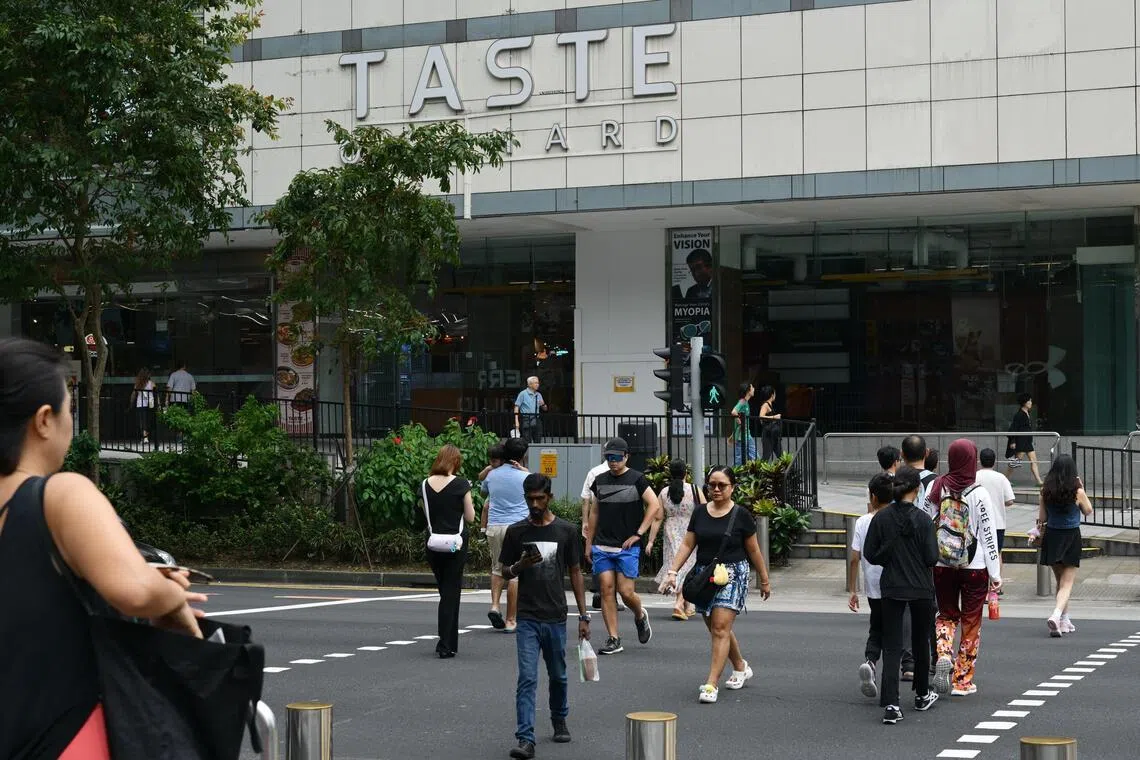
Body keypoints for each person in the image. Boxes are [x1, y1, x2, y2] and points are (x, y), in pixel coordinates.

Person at [0, 339, 207, 758]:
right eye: (70, 411)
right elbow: (135, 591)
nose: (70, 424)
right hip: (64, 738)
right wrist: (171, 593)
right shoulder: (59, 494)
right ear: (43, 420)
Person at [659, 466, 771, 704]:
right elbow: (688, 544)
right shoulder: (699, 513)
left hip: (733, 574)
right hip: (705, 575)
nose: (716, 489)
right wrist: (672, 572)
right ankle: (740, 666)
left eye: (722, 485)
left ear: (732, 487)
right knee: (717, 628)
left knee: (720, 628)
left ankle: (711, 683)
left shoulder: (740, 515)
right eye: (712, 485)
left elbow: (753, 549)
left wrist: (764, 579)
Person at [500, 473, 590, 760]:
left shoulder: (566, 531)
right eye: (530, 499)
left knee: (559, 675)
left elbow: (575, 572)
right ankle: (525, 739)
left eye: (540, 498)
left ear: (549, 497)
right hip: (526, 617)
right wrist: (520, 565)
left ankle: (559, 718)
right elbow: (504, 572)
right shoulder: (516, 532)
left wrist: (584, 615)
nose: (535, 504)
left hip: (555, 616)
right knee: (527, 678)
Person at [862, 466, 940, 725]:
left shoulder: (881, 519)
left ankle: (892, 704)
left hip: (892, 586)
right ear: (917, 489)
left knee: (892, 645)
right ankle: (921, 693)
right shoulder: (923, 520)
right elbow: (932, 557)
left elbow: (871, 554)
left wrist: (890, 554)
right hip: (920, 586)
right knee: (920, 641)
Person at [927, 439, 1002, 697]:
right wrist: (996, 574)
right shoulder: (980, 493)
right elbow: (989, 536)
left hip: (942, 563)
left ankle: (943, 653)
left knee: (946, 615)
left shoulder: (937, 487)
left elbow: (926, 522)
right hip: (975, 565)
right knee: (971, 621)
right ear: (972, 460)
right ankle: (962, 680)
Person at [585, 437, 661, 655]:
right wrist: (588, 543)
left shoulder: (637, 479)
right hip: (602, 545)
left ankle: (639, 614)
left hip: (627, 546)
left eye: (617, 457)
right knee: (606, 590)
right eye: (609, 457)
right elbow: (595, 512)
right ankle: (613, 638)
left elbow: (654, 504)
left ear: (626, 456)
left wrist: (639, 533)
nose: (613, 462)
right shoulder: (599, 480)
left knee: (626, 592)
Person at [422, 444, 475, 658]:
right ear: (455, 461)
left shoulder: (425, 484)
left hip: (433, 543)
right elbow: (470, 517)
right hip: (455, 543)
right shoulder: (461, 484)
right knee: (451, 594)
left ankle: (449, 640)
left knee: (445, 591)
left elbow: (425, 514)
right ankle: (446, 644)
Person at [848, 473, 895, 700]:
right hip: (897, 583)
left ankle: (871, 661)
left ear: (873, 497)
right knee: (897, 629)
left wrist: (852, 589)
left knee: (876, 626)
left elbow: (854, 557)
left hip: (873, 586)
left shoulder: (863, 521)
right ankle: (896, 671)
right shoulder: (896, 518)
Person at [1037, 454, 1094, 637]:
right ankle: (1055, 615)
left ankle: (1064, 620)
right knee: (1067, 583)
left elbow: (1043, 518)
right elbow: (1088, 511)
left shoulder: (1045, 491)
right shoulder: (1077, 492)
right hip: (1070, 536)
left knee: (1060, 581)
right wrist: (1082, 488)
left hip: (1052, 536)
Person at [481, 438, 530, 633]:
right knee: (515, 573)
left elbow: (485, 491)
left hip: (494, 525)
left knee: (497, 568)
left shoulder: (492, 475)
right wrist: (526, 472)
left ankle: (494, 606)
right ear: (523, 456)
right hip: (517, 526)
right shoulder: (525, 477)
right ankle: (511, 620)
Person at [651, 459, 704, 620]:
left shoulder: (663, 492)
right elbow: (705, 510)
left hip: (670, 531)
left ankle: (687, 606)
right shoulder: (694, 489)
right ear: (686, 473)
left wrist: (651, 540)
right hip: (691, 531)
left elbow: (658, 518)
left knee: (676, 567)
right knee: (688, 567)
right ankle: (679, 604)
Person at [579, 454, 623, 612]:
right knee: (616, 556)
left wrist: (585, 522)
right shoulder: (623, 472)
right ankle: (612, 597)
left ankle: (599, 591)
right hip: (617, 523)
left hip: (596, 521)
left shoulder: (594, 471)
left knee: (598, 555)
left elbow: (585, 499)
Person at [975, 447, 1015, 586]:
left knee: (980, 553)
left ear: (980, 461)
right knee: (996, 553)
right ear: (994, 461)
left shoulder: (974, 476)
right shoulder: (1001, 477)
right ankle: (995, 585)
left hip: (978, 523)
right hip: (998, 523)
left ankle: (982, 585)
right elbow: (1010, 500)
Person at [1006, 393, 1044, 486]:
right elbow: (1013, 429)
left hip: (1027, 441)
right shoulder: (1019, 415)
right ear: (1024, 403)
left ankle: (1039, 481)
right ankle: (1004, 480)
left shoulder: (1027, 413)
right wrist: (1013, 441)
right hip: (1021, 442)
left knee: (1034, 460)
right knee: (1015, 462)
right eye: (1029, 401)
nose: (1031, 402)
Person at [513, 377, 547, 444]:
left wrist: (543, 405)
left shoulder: (538, 394)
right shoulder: (523, 394)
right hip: (526, 419)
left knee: (538, 440)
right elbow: (516, 407)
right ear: (530, 384)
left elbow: (545, 409)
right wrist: (516, 421)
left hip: (537, 419)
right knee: (526, 441)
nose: (538, 384)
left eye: (538, 383)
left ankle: (536, 454)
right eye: (536, 383)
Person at [730, 383, 756, 465]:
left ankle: (737, 475)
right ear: (748, 391)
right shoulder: (743, 402)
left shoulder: (745, 402)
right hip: (744, 434)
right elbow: (734, 412)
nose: (754, 389)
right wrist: (739, 420)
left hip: (743, 434)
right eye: (752, 387)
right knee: (752, 455)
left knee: (740, 457)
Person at [130, 367, 156, 446]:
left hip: (140, 404)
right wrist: (158, 403)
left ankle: (145, 437)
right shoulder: (151, 383)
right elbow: (156, 394)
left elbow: (134, 394)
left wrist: (131, 402)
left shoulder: (138, 383)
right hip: (150, 404)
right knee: (149, 421)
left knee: (142, 421)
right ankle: (145, 437)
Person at [756, 385, 783, 461]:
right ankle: (758, 472)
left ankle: (790, 471)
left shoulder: (769, 404)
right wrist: (775, 417)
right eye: (775, 393)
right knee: (766, 456)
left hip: (774, 434)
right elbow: (761, 417)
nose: (775, 395)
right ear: (772, 395)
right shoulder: (765, 405)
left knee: (780, 455)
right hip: (768, 435)